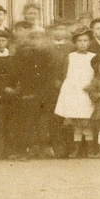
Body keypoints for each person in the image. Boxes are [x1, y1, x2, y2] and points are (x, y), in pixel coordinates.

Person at [10, 27, 54, 158]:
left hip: (44, 93)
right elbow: (17, 73)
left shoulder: (48, 54)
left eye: (39, 38)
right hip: (28, 92)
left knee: (43, 122)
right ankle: (27, 149)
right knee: (27, 121)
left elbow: (50, 74)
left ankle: (43, 148)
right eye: (33, 38)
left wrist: (46, 91)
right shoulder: (22, 53)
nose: (36, 41)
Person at [54, 28, 96, 157]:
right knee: (76, 121)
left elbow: (97, 74)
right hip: (73, 91)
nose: (82, 44)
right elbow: (64, 73)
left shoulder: (93, 56)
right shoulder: (70, 56)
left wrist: (92, 85)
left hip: (87, 91)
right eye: (79, 41)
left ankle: (90, 149)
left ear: (89, 42)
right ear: (75, 43)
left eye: (85, 41)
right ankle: (76, 149)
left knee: (86, 119)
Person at [46, 24, 71, 157]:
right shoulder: (46, 48)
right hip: (51, 88)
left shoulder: (71, 47)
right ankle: (57, 148)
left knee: (69, 117)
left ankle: (69, 148)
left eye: (62, 30)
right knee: (54, 118)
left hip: (69, 86)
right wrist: (53, 81)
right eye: (57, 31)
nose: (59, 33)